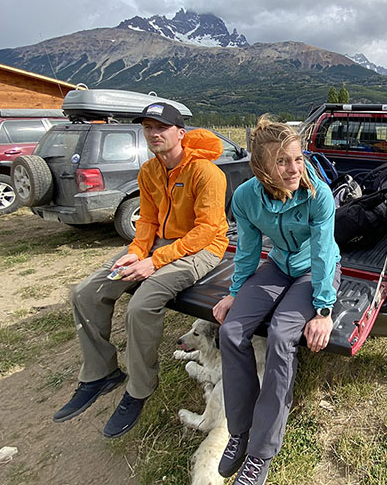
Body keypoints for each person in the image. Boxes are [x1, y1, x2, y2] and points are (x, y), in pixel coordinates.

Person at [52, 102, 229, 438]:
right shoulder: (148, 170)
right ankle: (100, 373)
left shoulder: (206, 173)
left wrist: (154, 261)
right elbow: (146, 220)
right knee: (85, 293)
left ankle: (139, 388)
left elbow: (206, 230)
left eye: (161, 127)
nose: (153, 134)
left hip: (202, 249)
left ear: (180, 133)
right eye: (148, 127)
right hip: (156, 246)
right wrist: (135, 251)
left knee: (141, 304)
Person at [212, 116, 341, 484]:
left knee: (284, 336)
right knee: (231, 331)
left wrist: (323, 309)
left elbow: (322, 254)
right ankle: (241, 431)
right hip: (278, 265)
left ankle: (261, 452)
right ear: (262, 166)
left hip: (314, 271)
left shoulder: (317, 194)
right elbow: (249, 252)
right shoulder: (245, 197)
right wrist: (235, 293)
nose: (293, 169)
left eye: (298, 159)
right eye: (282, 161)